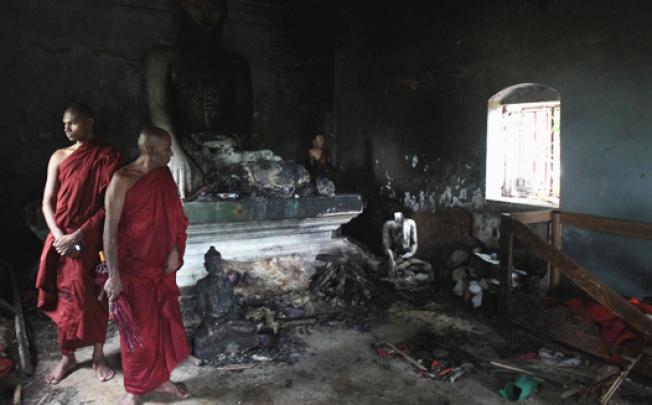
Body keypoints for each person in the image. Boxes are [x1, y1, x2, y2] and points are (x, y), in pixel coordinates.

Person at [103, 127, 190, 404]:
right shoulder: (123, 179)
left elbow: (175, 215)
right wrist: (113, 275)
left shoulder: (162, 175)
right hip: (134, 271)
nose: (171, 154)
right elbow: (109, 230)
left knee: (162, 326)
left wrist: (175, 248)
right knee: (138, 335)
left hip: (161, 269)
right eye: (167, 150)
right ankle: (136, 389)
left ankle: (161, 380)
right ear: (151, 151)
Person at [35, 103, 120, 384]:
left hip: (90, 237)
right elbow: (47, 203)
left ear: (89, 122)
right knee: (65, 298)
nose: (66, 129)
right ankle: (67, 356)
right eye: (64, 124)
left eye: (72, 123)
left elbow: (108, 205)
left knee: (95, 296)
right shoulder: (59, 156)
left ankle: (98, 355)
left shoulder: (107, 157)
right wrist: (59, 235)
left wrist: (79, 234)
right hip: (61, 239)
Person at [145, 0, 252, 199]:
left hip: (227, 154)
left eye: (214, 8)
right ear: (182, 9)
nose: (206, 16)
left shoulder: (236, 64)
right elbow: (158, 112)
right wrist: (175, 153)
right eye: (198, 7)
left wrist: (232, 141)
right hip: (182, 151)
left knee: (276, 174)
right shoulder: (162, 58)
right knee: (187, 180)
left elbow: (244, 117)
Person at [382, 212, 433, 284]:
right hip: (394, 259)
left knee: (428, 267)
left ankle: (406, 280)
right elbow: (386, 246)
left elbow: (414, 244)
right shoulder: (387, 225)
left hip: (408, 259)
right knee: (396, 271)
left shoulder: (411, 224)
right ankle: (402, 280)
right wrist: (391, 260)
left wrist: (409, 254)